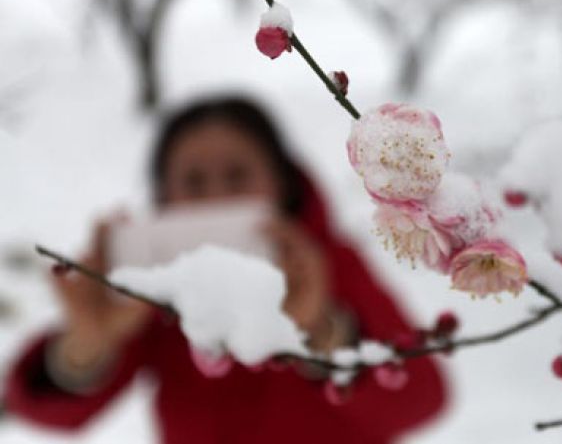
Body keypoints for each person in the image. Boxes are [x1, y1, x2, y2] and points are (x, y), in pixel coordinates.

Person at [4, 96, 447, 443]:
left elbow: (421, 400)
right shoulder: (154, 284)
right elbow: (52, 413)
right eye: (193, 181)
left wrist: (322, 329)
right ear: (165, 196)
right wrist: (86, 344)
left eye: (237, 175)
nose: (216, 195)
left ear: (281, 183)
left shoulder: (326, 264)